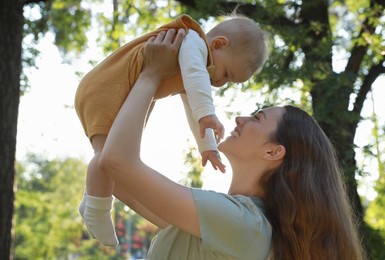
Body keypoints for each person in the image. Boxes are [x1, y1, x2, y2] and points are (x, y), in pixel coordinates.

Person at [96, 29, 365, 259]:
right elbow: (112, 170)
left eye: (257, 118)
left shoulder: (241, 224)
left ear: (273, 152)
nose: (240, 118)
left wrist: (151, 75)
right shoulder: (229, 222)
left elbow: (116, 161)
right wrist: (162, 84)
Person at [75, 13, 269, 246]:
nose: (219, 83)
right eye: (226, 74)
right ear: (218, 44)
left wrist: (207, 145)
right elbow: (195, 78)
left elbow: (190, 106)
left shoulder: (192, 58)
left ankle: (92, 199)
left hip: (112, 89)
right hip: (107, 89)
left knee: (108, 154)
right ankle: (97, 209)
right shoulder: (193, 42)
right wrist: (208, 112)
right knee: (106, 155)